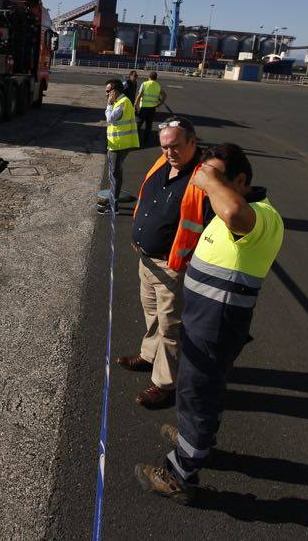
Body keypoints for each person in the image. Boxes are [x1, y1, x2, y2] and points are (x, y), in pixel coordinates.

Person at [135, 143, 284, 505]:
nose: (203, 184)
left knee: (196, 393)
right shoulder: (224, 203)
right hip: (204, 319)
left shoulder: (261, 215)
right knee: (202, 389)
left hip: (217, 323)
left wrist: (210, 180)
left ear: (241, 180)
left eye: (214, 177)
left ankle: (181, 473)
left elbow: (234, 212)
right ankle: (197, 440)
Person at [115, 117, 209, 409]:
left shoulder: (202, 177)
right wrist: (140, 234)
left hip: (173, 266)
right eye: (165, 146)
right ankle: (149, 355)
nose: (169, 152)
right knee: (152, 313)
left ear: (193, 142)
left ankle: (165, 384)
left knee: (170, 327)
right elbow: (148, 200)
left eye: (176, 146)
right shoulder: (163, 165)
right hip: (147, 259)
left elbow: (209, 226)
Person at [99, 79, 139, 214]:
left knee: (115, 175)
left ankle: (113, 206)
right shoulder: (123, 102)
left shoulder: (121, 104)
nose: (106, 95)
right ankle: (112, 201)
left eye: (107, 92)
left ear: (114, 91)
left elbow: (110, 118)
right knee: (115, 174)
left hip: (119, 145)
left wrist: (109, 105)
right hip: (118, 143)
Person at [134, 71, 165, 146]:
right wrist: (159, 104)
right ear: (156, 78)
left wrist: (135, 105)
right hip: (152, 108)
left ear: (149, 77)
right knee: (148, 125)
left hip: (144, 107)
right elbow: (164, 96)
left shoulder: (145, 84)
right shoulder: (158, 85)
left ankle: (134, 139)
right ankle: (146, 141)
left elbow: (139, 95)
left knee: (138, 124)